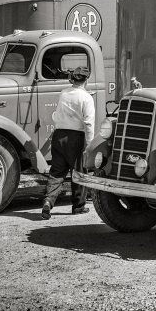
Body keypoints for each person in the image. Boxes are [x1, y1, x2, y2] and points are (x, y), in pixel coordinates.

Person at [41, 65, 94, 219]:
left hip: (59, 135)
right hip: (76, 138)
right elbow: (89, 123)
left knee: (57, 172)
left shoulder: (64, 93)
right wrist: (89, 145)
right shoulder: (86, 98)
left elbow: (56, 115)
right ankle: (78, 206)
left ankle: (48, 201)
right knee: (78, 172)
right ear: (86, 80)